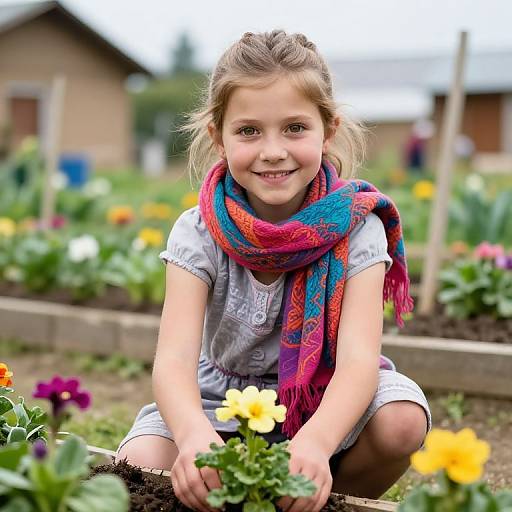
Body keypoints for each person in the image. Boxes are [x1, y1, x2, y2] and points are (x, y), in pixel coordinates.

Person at [117, 30, 431, 512]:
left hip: (322, 394)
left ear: (328, 129)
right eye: (248, 131)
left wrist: (318, 442)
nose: (272, 150)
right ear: (217, 137)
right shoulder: (198, 230)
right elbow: (174, 360)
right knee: (139, 464)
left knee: (402, 420)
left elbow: (357, 362)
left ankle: (318, 500)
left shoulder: (356, 226)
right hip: (218, 397)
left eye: (294, 128)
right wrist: (194, 434)